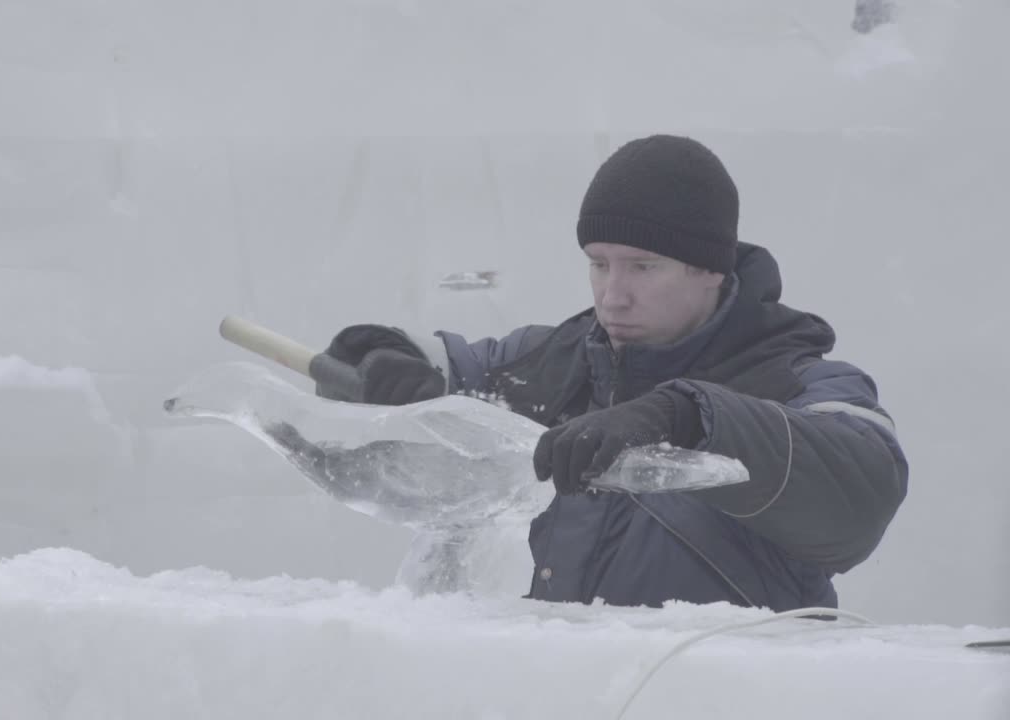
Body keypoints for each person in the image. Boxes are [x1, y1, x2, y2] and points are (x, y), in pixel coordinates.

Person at [317, 135, 907, 611]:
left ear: (711, 270)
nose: (613, 296)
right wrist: (381, 355)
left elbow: (862, 490)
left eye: (642, 267)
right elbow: (453, 368)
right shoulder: (549, 364)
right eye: (598, 265)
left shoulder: (799, 383)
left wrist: (688, 415)